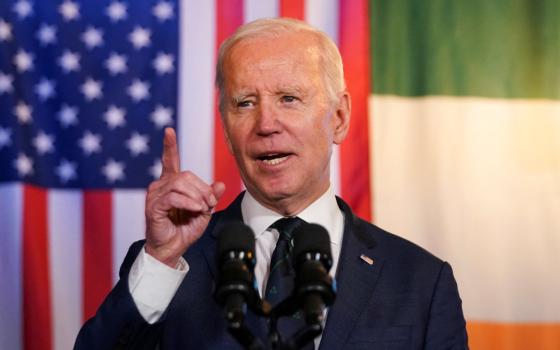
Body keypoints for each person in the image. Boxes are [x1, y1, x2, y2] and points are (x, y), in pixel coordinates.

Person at [74, 18, 468, 349]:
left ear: (340, 117)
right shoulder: (169, 261)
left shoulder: (421, 281)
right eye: (245, 103)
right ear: (226, 128)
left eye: (289, 98)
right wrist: (161, 260)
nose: (266, 125)